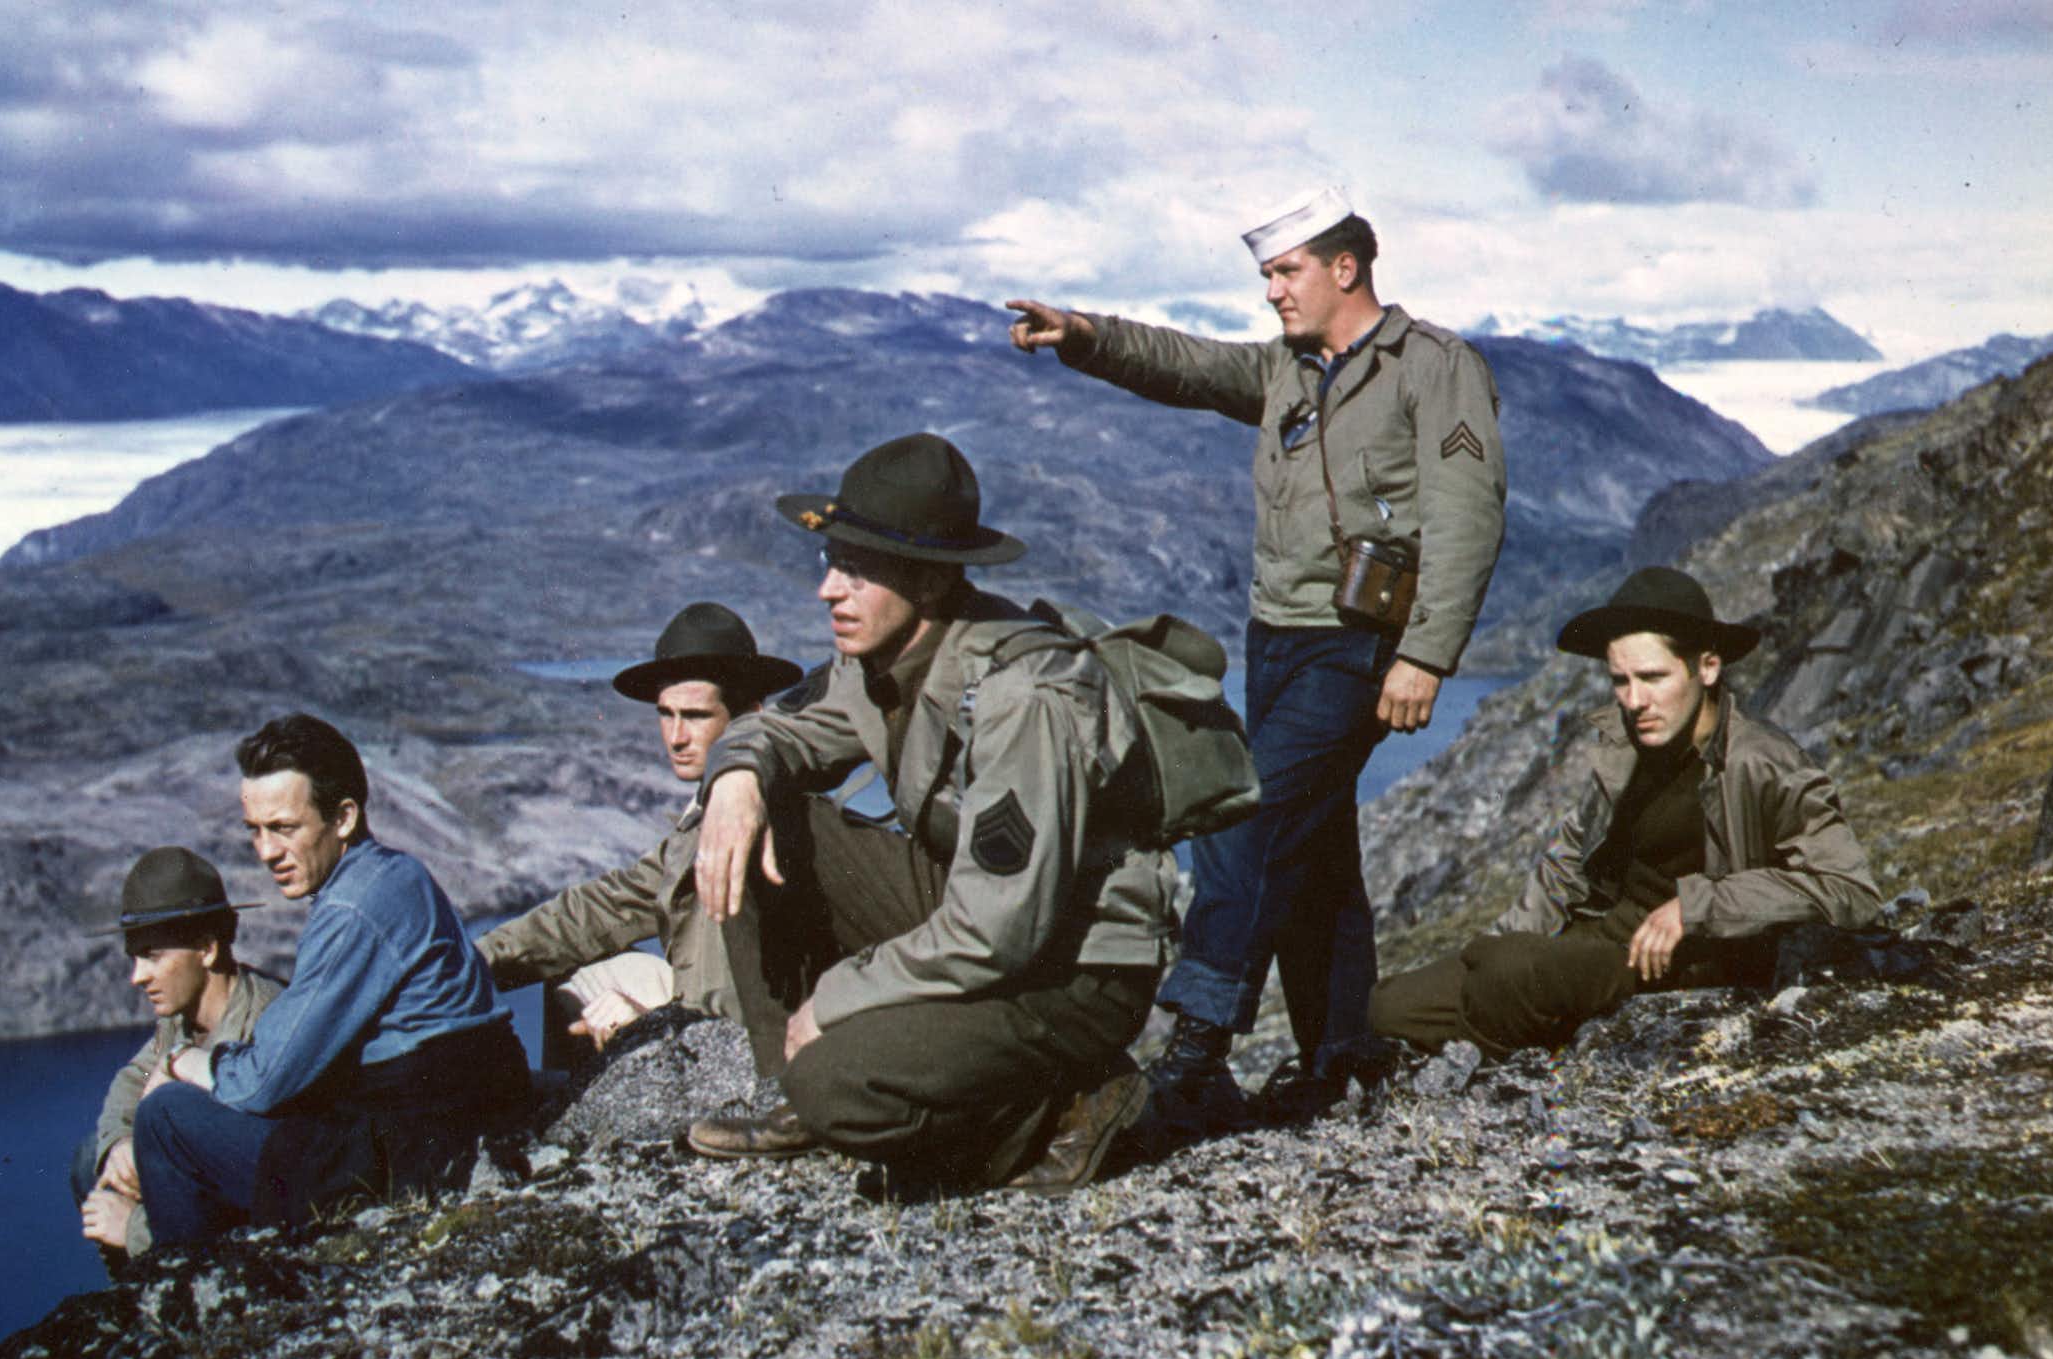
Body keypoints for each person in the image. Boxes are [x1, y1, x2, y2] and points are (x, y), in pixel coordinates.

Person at [1007, 185, 1507, 1122]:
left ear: (1345, 267)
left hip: (1360, 646)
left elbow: (1467, 516)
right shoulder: (1289, 370)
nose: (1272, 291)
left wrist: (1428, 655)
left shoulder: (1432, 366)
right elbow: (1188, 367)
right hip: (1275, 641)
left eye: (1286, 271)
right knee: (1316, 851)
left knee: (1247, 816)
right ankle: (1339, 1059)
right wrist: (1082, 334)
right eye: (1266, 274)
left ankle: (1192, 1055)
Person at [686, 432, 1183, 1194]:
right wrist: (736, 778)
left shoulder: (1022, 694)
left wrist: (837, 998)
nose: (828, 591)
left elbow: (998, 930)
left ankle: (1071, 1100)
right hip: (993, 922)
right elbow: (783, 728)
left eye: (857, 570)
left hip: (1075, 971)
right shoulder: (878, 661)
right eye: (832, 564)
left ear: (925, 581)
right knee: (762, 821)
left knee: (839, 1088)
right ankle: (787, 1092)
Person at [1370, 567, 1881, 1058]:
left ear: (1707, 667)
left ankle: (1512, 1054)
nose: (1634, 701)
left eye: (1653, 677)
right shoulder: (1626, 749)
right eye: (1621, 680)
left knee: (1506, 975)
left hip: (1687, 959)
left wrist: (1697, 906)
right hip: (1603, 940)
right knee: (1387, 1006)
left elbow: (1850, 890)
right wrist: (1499, 940)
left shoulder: (1762, 762)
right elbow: (1567, 861)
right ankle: (1509, 1013)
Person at [129, 713, 528, 1247]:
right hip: (450, 1119)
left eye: (284, 829)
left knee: (166, 1118)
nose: (266, 852)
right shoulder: (395, 873)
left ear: (343, 818)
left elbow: (267, 1079)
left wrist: (184, 1063)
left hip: (415, 1151)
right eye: (255, 831)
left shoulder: (353, 907)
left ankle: (184, 1290)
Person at [479, 602, 806, 1053]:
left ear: (749, 716)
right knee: (573, 967)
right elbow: (602, 907)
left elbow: (751, 999)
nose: (675, 737)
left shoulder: (770, 821)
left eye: (694, 716)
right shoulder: (702, 818)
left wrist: (650, 1021)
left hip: (748, 1041)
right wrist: (470, 962)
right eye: (665, 714)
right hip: (699, 1006)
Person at [74, 846, 282, 1260]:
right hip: (211, 1201)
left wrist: (134, 1229)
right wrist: (118, 1146)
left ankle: (178, 1286)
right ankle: (148, 1297)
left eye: (152, 957)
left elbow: (259, 1188)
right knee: (90, 1160)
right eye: (134, 959)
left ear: (206, 948)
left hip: (260, 1216)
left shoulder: (270, 1021)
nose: (137, 977)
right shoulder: (179, 1021)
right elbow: (131, 1080)